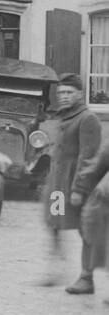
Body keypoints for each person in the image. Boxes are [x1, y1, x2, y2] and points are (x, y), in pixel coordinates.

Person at [42, 75, 108, 295]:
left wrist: (80, 190)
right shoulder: (64, 117)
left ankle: (86, 278)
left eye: (69, 92)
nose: (63, 97)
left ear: (80, 94)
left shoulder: (86, 119)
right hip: (58, 189)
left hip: (77, 188)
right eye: (61, 93)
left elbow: (88, 158)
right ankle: (56, 267)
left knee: (86, 230)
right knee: (54, 222)